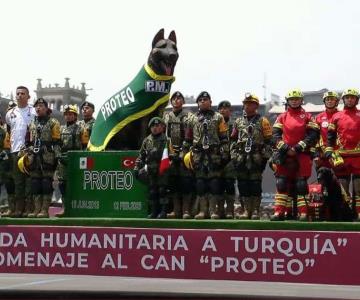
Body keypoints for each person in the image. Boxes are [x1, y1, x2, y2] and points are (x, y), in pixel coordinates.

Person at [271, 89, 319, 221]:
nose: (294, 101)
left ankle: (303, 213)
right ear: (288, 101)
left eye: (297, 99)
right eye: (292, 99)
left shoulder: (308, 116)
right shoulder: (281, 117)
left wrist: (297, 147)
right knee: (281, 183)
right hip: (284, 154)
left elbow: (313, 135)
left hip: (302, 153)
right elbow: (274, 136)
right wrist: (286, 148)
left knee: (301, 184)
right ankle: (279, 212)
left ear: (301, 100)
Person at [184, 91, 229, 219]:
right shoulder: (191, 118)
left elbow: (224, 138)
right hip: (198, 155)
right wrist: (184, 154)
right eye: (200, 100)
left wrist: (225, 154)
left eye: (205, 99)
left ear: (210, 102)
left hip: (214, 154)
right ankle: (203, 211)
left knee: (214, 184)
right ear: (198, 103)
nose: (203, 101)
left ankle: (213, 211)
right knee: (200, 184)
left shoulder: (218, 117)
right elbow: (187, 139)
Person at [230, 93, 272, 219]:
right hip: (241, 157)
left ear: (256, 106)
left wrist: (264, 158)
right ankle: (246, 210)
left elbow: (269, 141)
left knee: (255, 184)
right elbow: (232, 139)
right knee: (242, 184)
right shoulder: (238, 121)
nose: (247, 106)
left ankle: (255, 211)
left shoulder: (263, 121)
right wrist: (234, 156)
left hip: (256, 157)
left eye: (251, 104)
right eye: (246, 104)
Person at [21, 98, 60, 218]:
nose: (38, 108)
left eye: (41, 106)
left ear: (46, 108)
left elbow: (57, 142)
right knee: (35, 183)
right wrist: (25, 152)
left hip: (47, 156)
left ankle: (44, 210)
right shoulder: (31, 123)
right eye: (36, 106)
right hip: (34, 157)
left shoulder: (53, 122)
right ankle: (36, 209)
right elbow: (28, 141)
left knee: (46, 183)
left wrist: (57, 157)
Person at [326, 88, 360, 220]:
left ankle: (358, 214)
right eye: (347, 97)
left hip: (358, 157)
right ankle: (345, 214)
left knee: (359, 189)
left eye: (352, 97)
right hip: (341, 158)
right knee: (343, 189)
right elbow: (330, 137)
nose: (350, 99)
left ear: (356, 100)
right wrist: (329, 152)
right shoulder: (336, 116)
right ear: (343, 100)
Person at [5, 86, 36, 217]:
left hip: (28, 151)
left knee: (29, 180)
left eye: (23, 93)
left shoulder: (33, 111)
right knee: (18, 181)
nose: (19, 95)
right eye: (17, 93)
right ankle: (18, 208)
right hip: (14, 151)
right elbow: (9, 130)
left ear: (28, 96)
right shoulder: (10, 113)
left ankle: (29, 208)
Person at [134, 117, 172, 219]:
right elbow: (141, 156)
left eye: (157, 126)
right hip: (151, 169)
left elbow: (171, 155)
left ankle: (163, 212)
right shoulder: (147, 140)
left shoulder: (167, 140)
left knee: (162, 190)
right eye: (153, 126)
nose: (155, 128)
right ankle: (154, 211)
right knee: (152, 191)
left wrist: (170, 162)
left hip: (162, 170)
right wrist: (136, 167)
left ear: (162, 127)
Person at [163, 91, 194, 219]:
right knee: (173, 183)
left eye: (179, 98)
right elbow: (164, 136)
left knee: (185, 183)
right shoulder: (166, 116)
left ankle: (186, 210)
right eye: (174, 98)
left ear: (183, 101)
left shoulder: (189, 116)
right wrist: (169, 154)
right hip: (170, 154)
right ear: (171, 101)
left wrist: (182, 153)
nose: (176, 100)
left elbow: (191, 136)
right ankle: (176, 210)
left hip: (185, 155)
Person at [57, 105, 88, 215]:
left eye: (71, 114)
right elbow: (56, 144)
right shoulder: (60, 128)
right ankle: (65, 208)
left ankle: (78, 207)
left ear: (75, 116)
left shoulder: (81, 128)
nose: (68, 116)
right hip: (62, 159)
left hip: (76, 158)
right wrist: (58, 155)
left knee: (76, 183)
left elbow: (85, 145)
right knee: (62, 184)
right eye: (67, 115)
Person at [217, 100, 236, 218]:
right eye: (221, 109)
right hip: (217, 159)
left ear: (230, 111)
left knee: (229, 185)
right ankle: (219, 210)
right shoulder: (214, 124)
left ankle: (230, 210)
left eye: (226, 108)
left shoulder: (235, 125)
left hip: (231, 159)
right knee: (217, 185)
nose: (223, 111)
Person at [314, 91, 339, 170]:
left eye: (332, 99)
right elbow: (315, 136)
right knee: (324, 178)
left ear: (337, 101)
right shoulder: (318, 117)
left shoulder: (342, 115)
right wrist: (317, 153)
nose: (330, 101)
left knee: (341, 180)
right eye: (327, 99)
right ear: (324, 102)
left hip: (339, 153)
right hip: (323, 153)